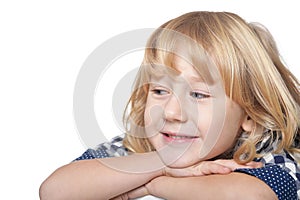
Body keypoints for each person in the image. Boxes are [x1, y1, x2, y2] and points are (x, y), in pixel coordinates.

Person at [39, 11, 300, 200]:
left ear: (250, 114)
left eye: (198, 95)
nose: (172, 112)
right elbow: (55, 192)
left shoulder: (271, 155)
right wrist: (163, 164)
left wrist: (151, 185)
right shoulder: (141, 148)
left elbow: (247, 197)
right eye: (160, 90)